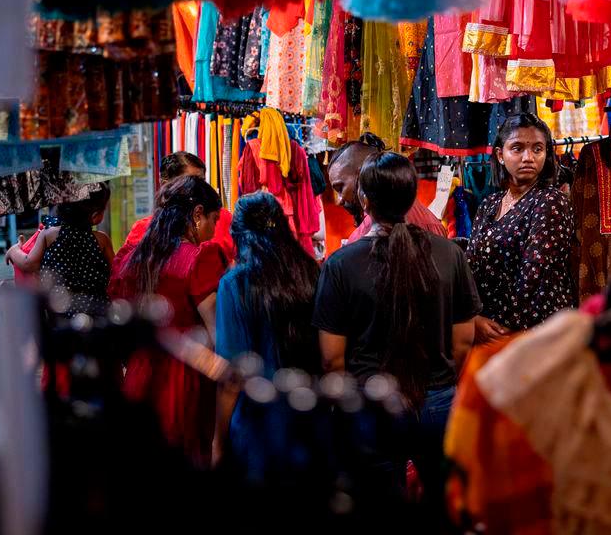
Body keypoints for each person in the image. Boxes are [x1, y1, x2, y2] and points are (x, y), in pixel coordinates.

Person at [313, 151, 480, 516]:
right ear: (410, 196)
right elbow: (464, 340)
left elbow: (331, 358)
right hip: (438, 400)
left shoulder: (340, 265)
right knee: (446, 507)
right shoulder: (449, 254)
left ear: (365, 200)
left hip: (371, 403)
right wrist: (441, 381)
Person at [108, 175, 225, 464]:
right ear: (197, 213)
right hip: (185, 379)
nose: (214, 230)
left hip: (140, 372)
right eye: (214, 219)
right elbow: (217, 334)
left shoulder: (136, 257)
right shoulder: (199, 258)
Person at [213, 191, 321, 469]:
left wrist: (218, 441)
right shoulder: (311, 273)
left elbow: (232, 373)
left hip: (258, 426)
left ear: (238, 235)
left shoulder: (235, 284)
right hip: (310, 420)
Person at [466, 112, 577, 343]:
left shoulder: (550, 201)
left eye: (537, 149)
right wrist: (474, 318)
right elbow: (471, 266)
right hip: (488, 326)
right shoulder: (489, 204)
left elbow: (534, 275)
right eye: (517, 148)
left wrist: (501, 328)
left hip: (535, 332)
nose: (528, 157)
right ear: (500, 155)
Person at [6, 184, 113, 315]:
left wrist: (13, 251)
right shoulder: (102, 240)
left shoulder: (49, 235)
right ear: (95, 215)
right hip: (97, 310)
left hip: (60, 310)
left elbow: (29, 264)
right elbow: (115, 271)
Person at [114, 151, 234, 267]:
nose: (199, 188)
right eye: (190, 182)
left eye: (201, 181)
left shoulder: (221, 218)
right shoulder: (143, 229)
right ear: (165, 185)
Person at [327, 132, 445, 246]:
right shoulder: (430, 220)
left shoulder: (367, 234)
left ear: (362, 174)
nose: (340, 200)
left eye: (340, 188)